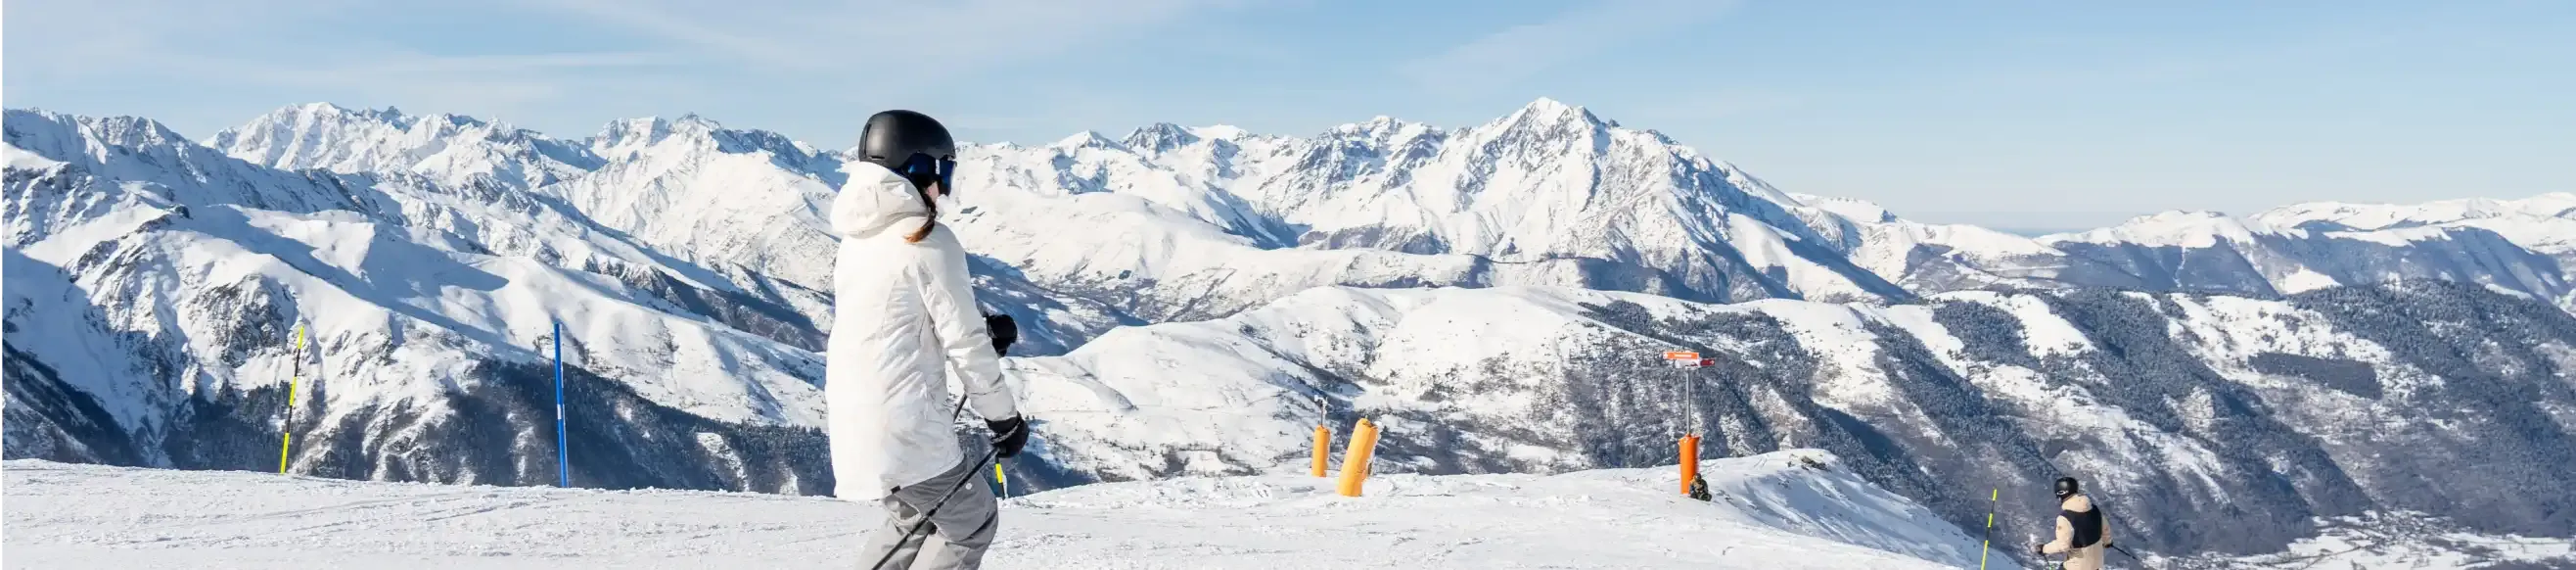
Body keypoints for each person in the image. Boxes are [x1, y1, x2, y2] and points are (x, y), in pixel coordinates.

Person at [827, 109, 1031, 570]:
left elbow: (897, 322)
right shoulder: (929, 240)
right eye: (944, 173)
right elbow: (964, 344)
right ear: (918, 168)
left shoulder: (857, 240)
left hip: (855, 419)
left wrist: (982, 327)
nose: (944, 189)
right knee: (973, 520)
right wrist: (1004, 419)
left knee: (912, 522)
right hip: (907, 426)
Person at [2033, 476, 2115, 570]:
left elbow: (2063, 545)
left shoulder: (2065, 518)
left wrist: (2044, 548)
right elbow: (2105, 528)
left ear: (2061, 494)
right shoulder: (2093, 508)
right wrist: (2107, 542)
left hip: (2078, 566)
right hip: (2097, 562)